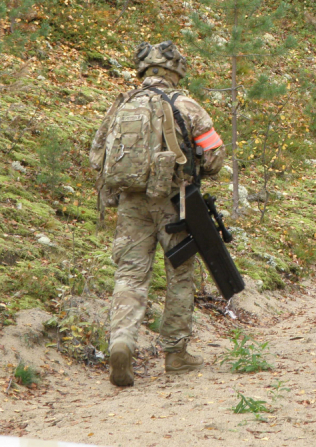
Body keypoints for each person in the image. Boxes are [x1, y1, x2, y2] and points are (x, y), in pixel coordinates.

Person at [90, 41, 226, 387]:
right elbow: (215, 156)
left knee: (130, 276)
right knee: (179, 274)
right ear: (175, 71)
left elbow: (97, 156)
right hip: (174, 202)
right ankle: (175, 353)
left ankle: (121, 342)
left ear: (144, 71)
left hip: (130, 204)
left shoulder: (121, 105)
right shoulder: (185, 104)